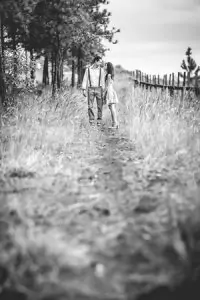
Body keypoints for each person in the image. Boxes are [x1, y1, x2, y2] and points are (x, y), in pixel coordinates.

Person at [82, 55, 105, 126]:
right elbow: (85, 79)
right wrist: (83, 90)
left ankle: (99, 121)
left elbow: (102, 80)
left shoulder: (101, 70)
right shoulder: (88, 69)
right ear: (96, 61)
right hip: (90, 89)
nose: (101, 64)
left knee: (100, 106)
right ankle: (91, 120)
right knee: (90, 106)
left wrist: (103, 91)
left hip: (99, 89)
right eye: (100, 62)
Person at [104, 62, 119, 129]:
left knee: (112, 108)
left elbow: (107, 85)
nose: (105, 67)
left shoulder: (108, 75)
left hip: (109, 91)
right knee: (112, 108)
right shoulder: (110, 75)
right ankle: (115, 123)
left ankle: (115, 123)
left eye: (106, 65)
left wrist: (103, 93)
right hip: (111, 90)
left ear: (108, 67)